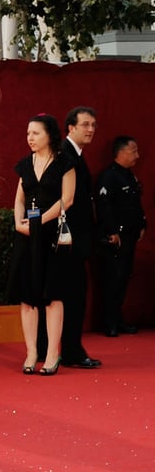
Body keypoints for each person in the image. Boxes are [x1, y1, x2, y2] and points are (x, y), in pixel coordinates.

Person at [7, 114, 76, 375]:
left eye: (35, 133)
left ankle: (51, 355)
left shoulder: (64, 163)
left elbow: (67, 200)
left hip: (52, 237)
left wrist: (40, 222)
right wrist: (18, 223)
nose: (30, 138)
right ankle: (31, 352)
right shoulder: (25, 164)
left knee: (52, 295)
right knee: (27, 296)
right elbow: (19, 199)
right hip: (27, 236)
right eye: (28, 134)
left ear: (49, 135)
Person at [52, 107, 102, 369]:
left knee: (70, 295)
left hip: (74, 239)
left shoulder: (75, 155)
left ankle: (63, 350)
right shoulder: (66, 155)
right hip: (68, 240)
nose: (91, 129)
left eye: (93, 125)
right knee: (73, 296)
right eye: (85, 124)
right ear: (70, 127)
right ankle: (71, 351)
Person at [95, 136, 146, 337]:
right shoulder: (109, 177)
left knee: (124, 278)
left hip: (130, 236)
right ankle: (109, 322)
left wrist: (142, 224)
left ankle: (118, 318)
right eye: (133, 151)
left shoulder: (129, 176)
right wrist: (112, 231)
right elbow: (103, 206)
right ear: (121, 152)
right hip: (116, 238)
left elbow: (135, 203)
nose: (137, 155)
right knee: (112, 278)